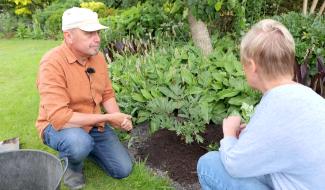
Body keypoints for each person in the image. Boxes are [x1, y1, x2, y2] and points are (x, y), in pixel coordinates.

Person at [197, 19, 325, 190]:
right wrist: (250, 135)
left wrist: (228, 135)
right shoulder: (310, 98)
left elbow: (235, 166)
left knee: (209, 165)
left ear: (252, 66)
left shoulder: (275, 107)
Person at [36, 7, 133, 190]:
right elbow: (60, 118)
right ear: (68, 36)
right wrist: (107, 118)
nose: (97, 38)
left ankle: (85, 149)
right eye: (89, 33)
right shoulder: (52, 63)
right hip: (58, 127)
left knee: (123, 169)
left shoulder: (98, 58)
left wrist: (119, 118)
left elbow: (106, 94)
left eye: (97, 32)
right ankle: (72, 166)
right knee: (78, 143)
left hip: (92, 123)